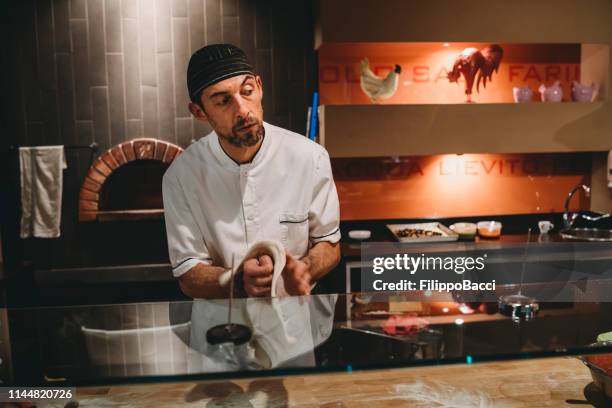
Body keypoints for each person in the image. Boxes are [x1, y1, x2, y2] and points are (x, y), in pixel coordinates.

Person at [162, 44, 341, 300]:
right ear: (199, 111)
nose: (243, 110)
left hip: (294, 321)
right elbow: (189, 274)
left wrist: (306, 269)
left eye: (247, 91)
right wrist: (236, 280)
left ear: (259, 86)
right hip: (220, 328)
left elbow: (329, 244)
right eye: (223, 101)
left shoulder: (309, 158)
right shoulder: (181, 176)